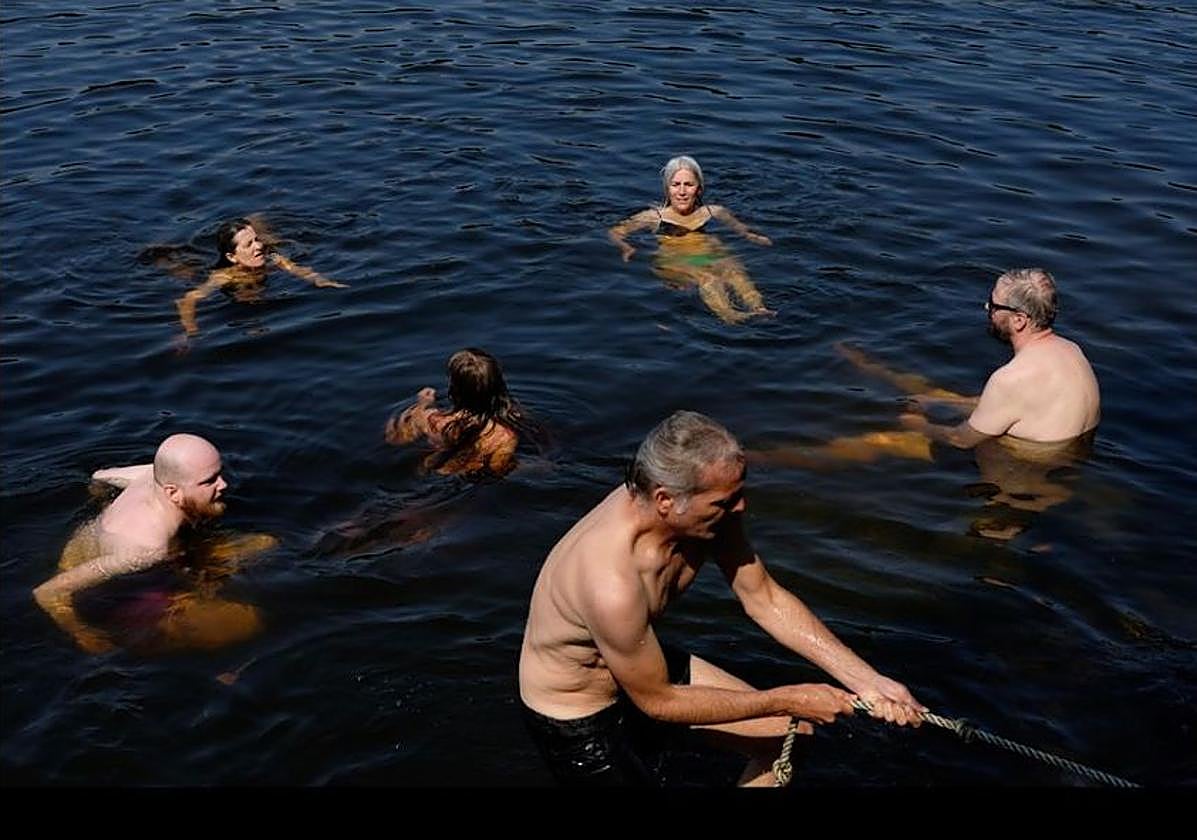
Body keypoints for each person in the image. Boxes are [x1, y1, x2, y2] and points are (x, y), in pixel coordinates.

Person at [518, 411, 924, 787]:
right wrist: (790, 697)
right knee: (789, 714)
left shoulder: (709, 515)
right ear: (665, 500)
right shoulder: (609, 580)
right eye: (724, 501)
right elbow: (658, 702)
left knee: (790, 734)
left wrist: (869, 681)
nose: (740, 507)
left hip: (641, 668)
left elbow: (762, 597)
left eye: (738, 493)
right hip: (577, 715)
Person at [752, 268, 1101, 539]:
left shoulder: (1011, 378)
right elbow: (1015, 407)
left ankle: (760, 459)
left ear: (1019, 319)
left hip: (1018, 481)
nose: (987, 310)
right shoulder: (1071, 352)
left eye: (994, 306)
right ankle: (868, 366)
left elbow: (960, 440)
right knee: (934, 393)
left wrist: (918, 424)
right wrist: (934, 401)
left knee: (881, 441)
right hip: (1061, 473)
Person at [33, 434, 275, 654]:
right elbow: (47, 592)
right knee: (240, 623)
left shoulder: (152, 474)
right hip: (101, 587)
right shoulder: (145, 550)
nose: (224, 485)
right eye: (210, 481)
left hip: (122, 546)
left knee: (266, 544)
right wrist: (84, 635)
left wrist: (99, 498)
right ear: (172, 492)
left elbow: (100, 476)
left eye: (219, 474)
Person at [608, 156, 775, 325]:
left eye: (689, 185)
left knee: (733, 270)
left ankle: (759, 308)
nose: (682, 192)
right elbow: (615, 232)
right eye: (675, 185)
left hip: (706, 256)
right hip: (675, 259)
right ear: (667, 189)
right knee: (708, 277)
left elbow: (742, 229)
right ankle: (730, 315)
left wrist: (752, 237)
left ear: (699, 189)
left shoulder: (713, 212)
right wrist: (625, 247)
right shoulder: (653, 217)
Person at [174, 215, 347, 341]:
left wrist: (322, 281)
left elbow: (297, 270)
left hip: (255, 281)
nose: (259, 246)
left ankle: (256, 218)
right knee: (183, 270)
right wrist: (191, 331)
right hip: (218, 279)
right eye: (249, 244)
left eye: (256, 239)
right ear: (232, 256)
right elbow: (188, 299)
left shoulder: (271, 256)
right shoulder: (224, 277)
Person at [384, 348, 544, 479]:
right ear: (498, 386)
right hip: (466, 481)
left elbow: (395, 440)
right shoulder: (504, 436)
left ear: (453, 389)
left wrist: (422, 405)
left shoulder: (428, 418)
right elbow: (496, 470)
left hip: (431, 471)